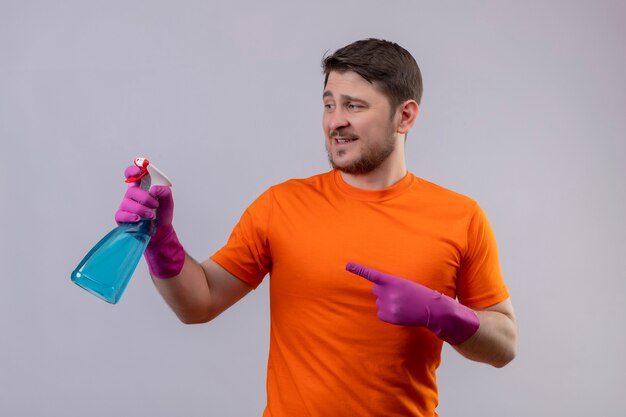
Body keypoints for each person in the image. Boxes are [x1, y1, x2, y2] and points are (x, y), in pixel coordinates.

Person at [116, 38, 517, 416]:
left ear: (405, 115)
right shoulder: (281, 205)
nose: (335, 122)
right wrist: (160, 240)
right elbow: (198, 304)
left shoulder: (460, 216)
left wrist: (441, 313)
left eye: (355, 106)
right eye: (329, 105)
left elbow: (504, 346)